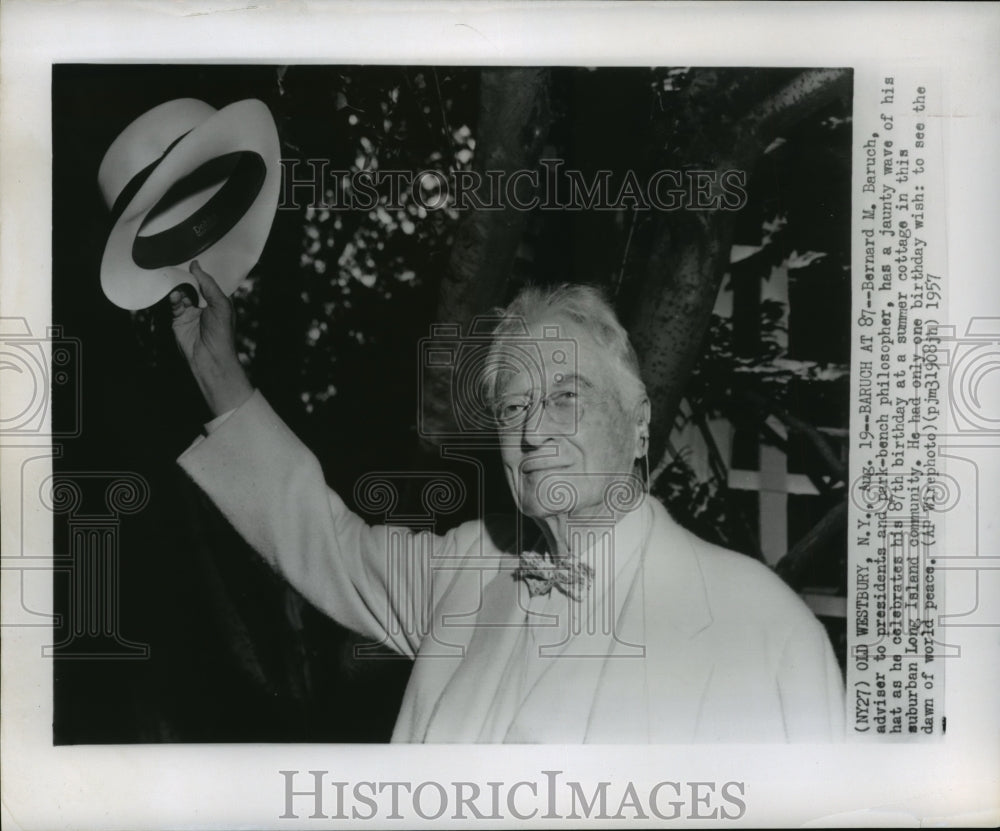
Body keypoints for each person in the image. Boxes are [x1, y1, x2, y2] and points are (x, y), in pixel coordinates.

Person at [171, 260, 845, 743]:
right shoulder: (466, 565)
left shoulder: (761, 627)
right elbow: (324, 539)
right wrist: (217, 371)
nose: (533, 430)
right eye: (514, 406)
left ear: (640, 420)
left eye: (564, 397)